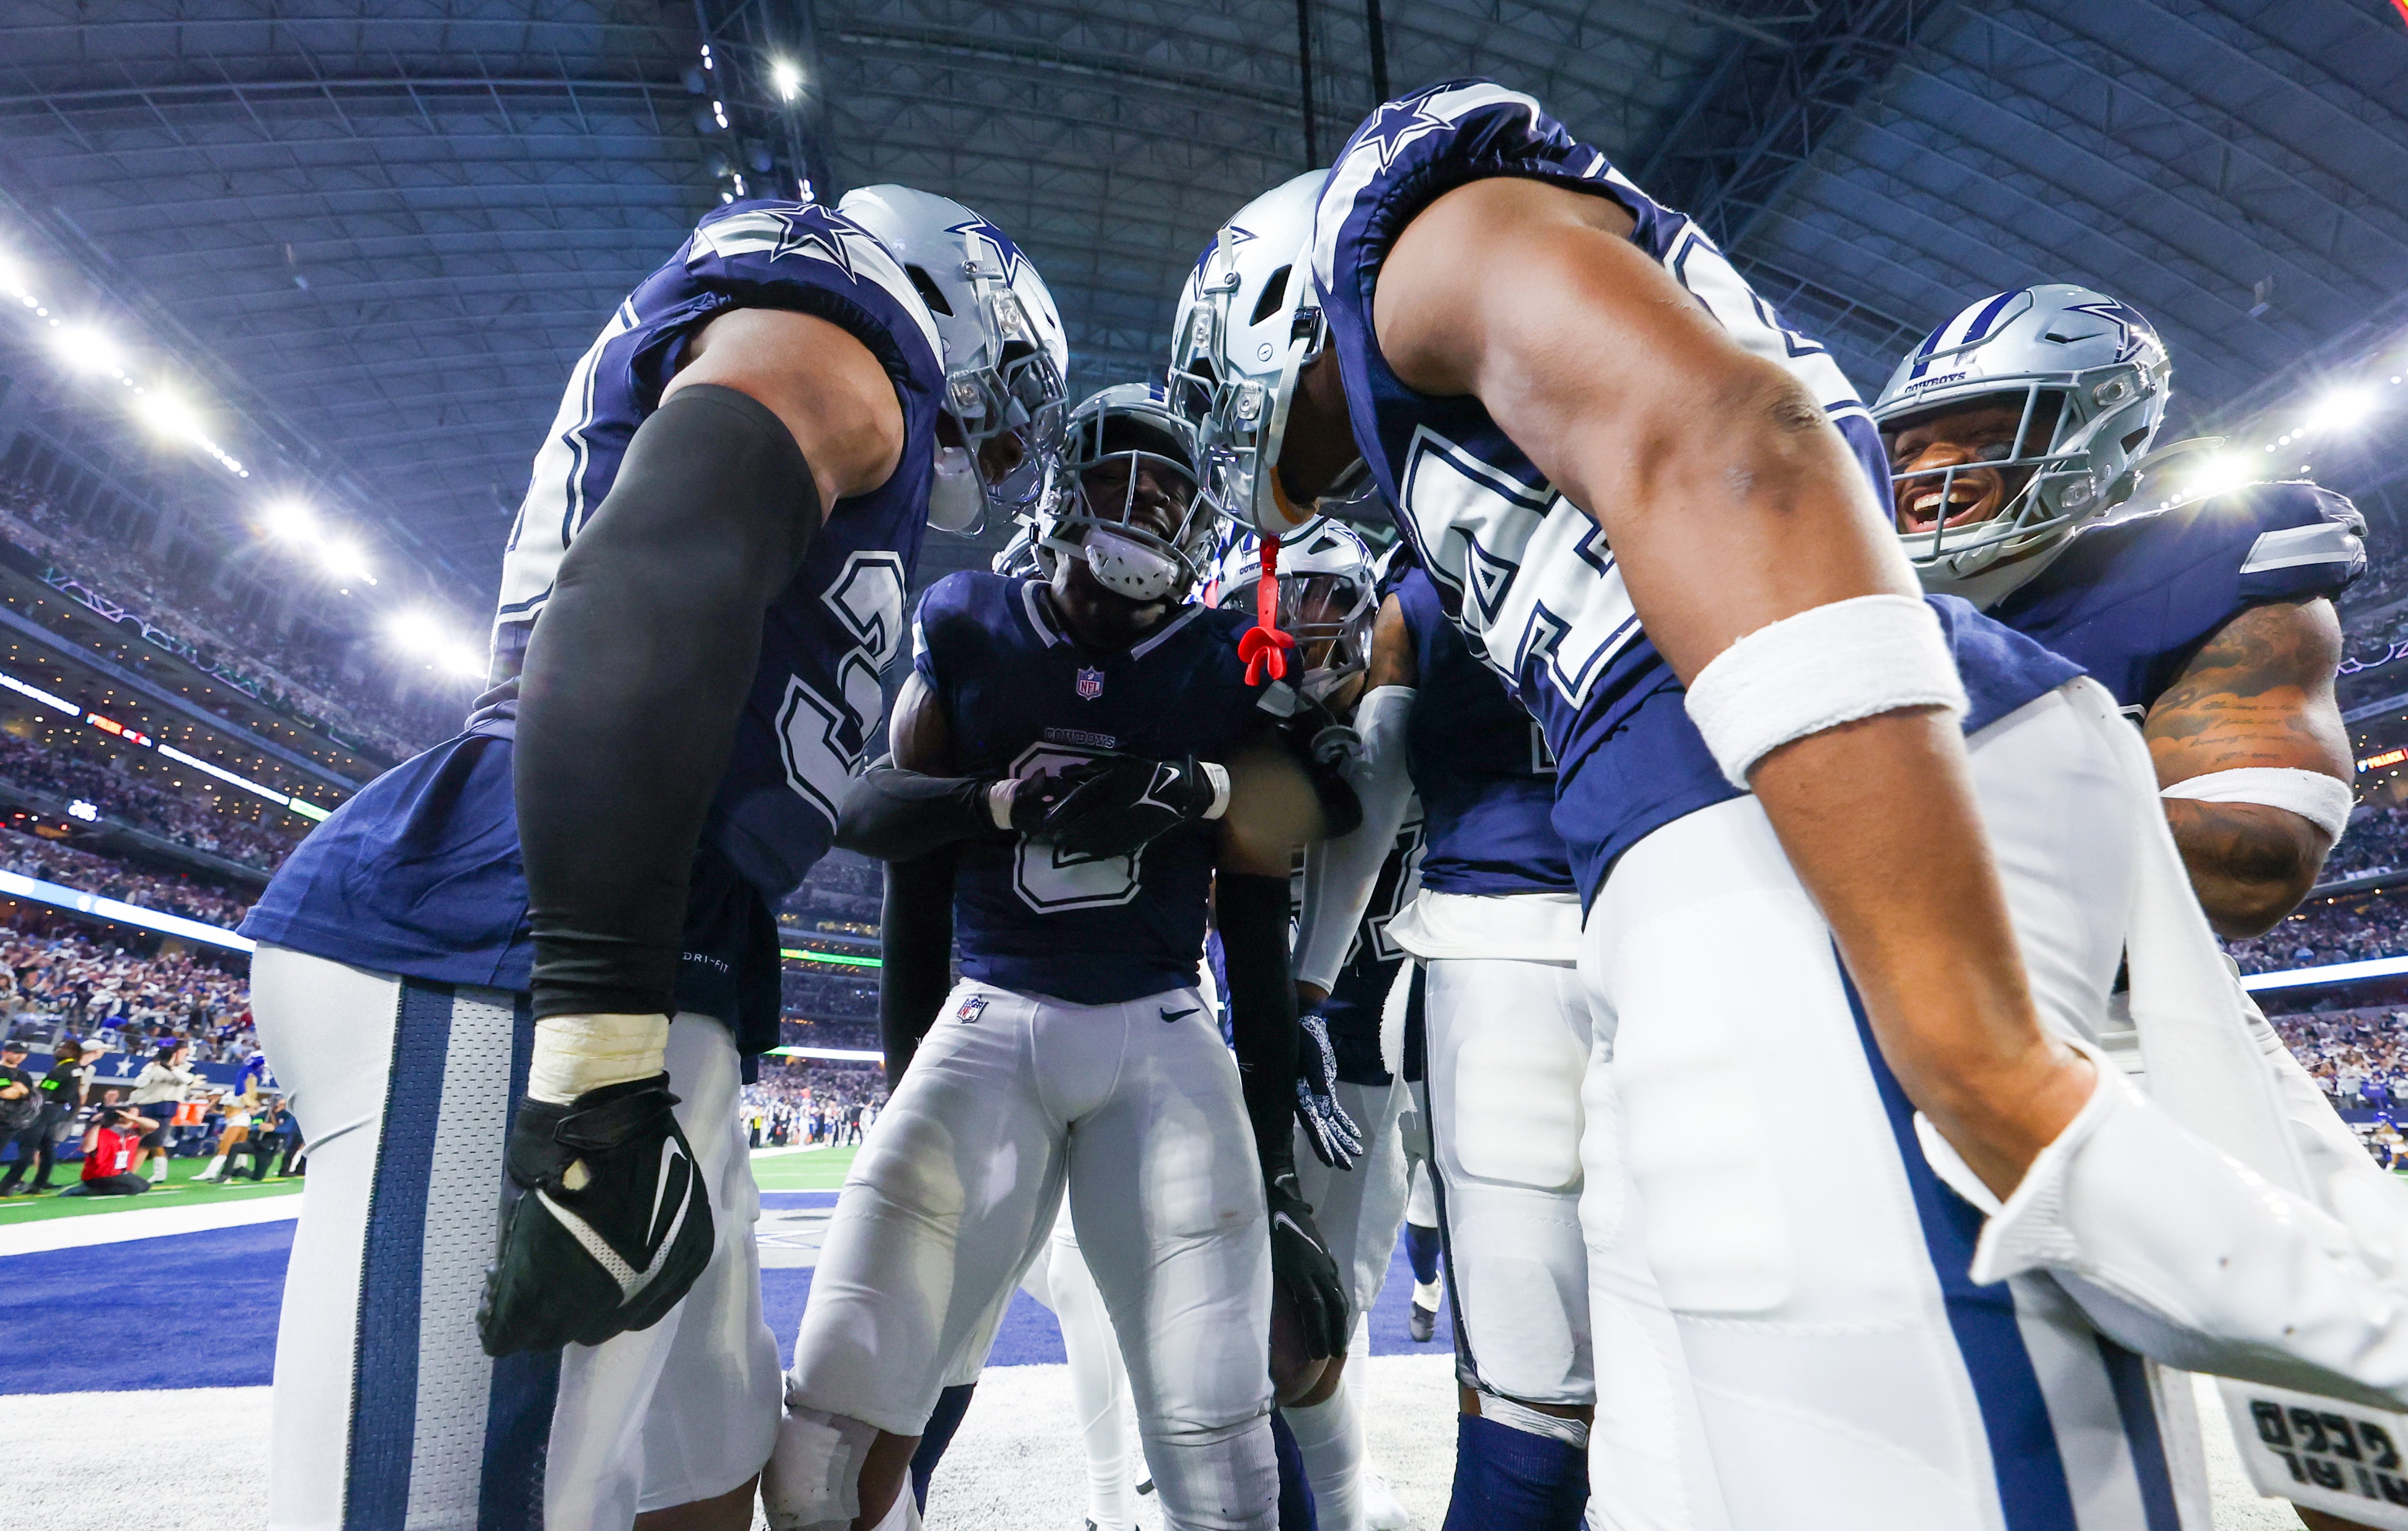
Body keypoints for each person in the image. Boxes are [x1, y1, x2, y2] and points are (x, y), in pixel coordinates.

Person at [1175, 82, 2408, 1529]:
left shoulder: (1409, 236)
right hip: (1704, 824)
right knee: (1693, 1469)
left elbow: (1729, 444)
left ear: (1266, 305)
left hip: (1778, 800)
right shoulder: (1454, 396)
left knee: (1907, 1460)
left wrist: (1965, 1035)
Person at [235, 186, 1067, 1531]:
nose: (1005, 436)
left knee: (697, 1485)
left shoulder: (821, 356)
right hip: (523, 942)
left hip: (643, 941)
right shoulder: (843, 336)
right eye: (1008, 386)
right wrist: (598, 1071)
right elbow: (650, 580)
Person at [763, 382, 1358, 1531]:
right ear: (1060, 486)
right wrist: (993, 804)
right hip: (992, 1012)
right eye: (1119, 475)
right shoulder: (973, 623)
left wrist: (1202, 787)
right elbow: (878, 822)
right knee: (821, 1448)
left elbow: (1282, 867)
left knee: (1219, 1445)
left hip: (1161, 1028)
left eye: (1172, 488)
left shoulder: (1216, 661)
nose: (1148, 504)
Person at [1872, 286, 2402, 1531]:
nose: (1931, 471)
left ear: (2097, 431)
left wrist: (1929, 813)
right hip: (1903, 1025)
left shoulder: (2202, 564)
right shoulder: (1847, 604)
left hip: (2141, 1026)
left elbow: (2255, 863)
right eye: (1910, 444)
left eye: (1981, 430)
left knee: (2348, 1403)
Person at [1288, 543, 1593, 1528]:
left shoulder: (1422, 594)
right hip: (1639, 920)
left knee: (1526, 1349)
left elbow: (1375, 789)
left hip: (1488, 956)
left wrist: (1303, 981)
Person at [1210, 524, 1417, 1531]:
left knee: (1324, 1294)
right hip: (1253, 1032)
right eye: (1283, 596)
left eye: (1323, 595)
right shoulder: (1243, 722)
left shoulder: (1395, 724)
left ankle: (1331, 1492)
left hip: (1368, 1033)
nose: (1301, 619)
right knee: (1257, 1288)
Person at [1, 1037, 87, 1196]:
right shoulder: (74, 1068)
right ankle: (39, 1182)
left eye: (64, 1049)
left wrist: (28, 1092)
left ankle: (9, 1184)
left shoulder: (62, 1069)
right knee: (47, 1145)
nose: (60, 1051)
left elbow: (44, 1093)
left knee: (28, 1147)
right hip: (56, 1110)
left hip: (45, 1110)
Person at [126, 1040, 200, 1185]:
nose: (184, 1055)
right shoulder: (153, 1066)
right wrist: (152, 1069)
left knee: (148, 1143)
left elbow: (188, 1079)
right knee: (137, 1141)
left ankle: (129, 1175)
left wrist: (170, 1068)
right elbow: (139, 1083)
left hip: (163, 1108)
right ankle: (156, 1174)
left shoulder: (189, 1068)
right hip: (142, 1105)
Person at [63, 1099, 152, 1195]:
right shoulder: (102, 1130)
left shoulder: (134, 1132)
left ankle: (93, 1190)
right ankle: (86, 1191)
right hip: (99, 1175)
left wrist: (132, 1118)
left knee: (144, 1186)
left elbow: (154, 1126)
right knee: (134, 1188)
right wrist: (98, 1123)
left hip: (119, 1173)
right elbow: (87, 1148)